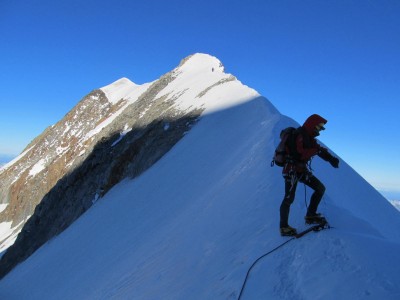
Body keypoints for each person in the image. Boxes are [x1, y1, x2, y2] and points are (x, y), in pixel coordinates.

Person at [280, 114, 339, 236]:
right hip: (291, 171)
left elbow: (319, 149)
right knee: (288, 198)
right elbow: (299, 154)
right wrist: (315, 151)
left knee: (320, 188)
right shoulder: (298, 135)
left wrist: (331, 159)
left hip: (301, 171)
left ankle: (310, 215)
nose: (320, 130)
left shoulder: (309, 138)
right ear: (313, 124)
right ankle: (284, 227)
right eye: (319, 126)